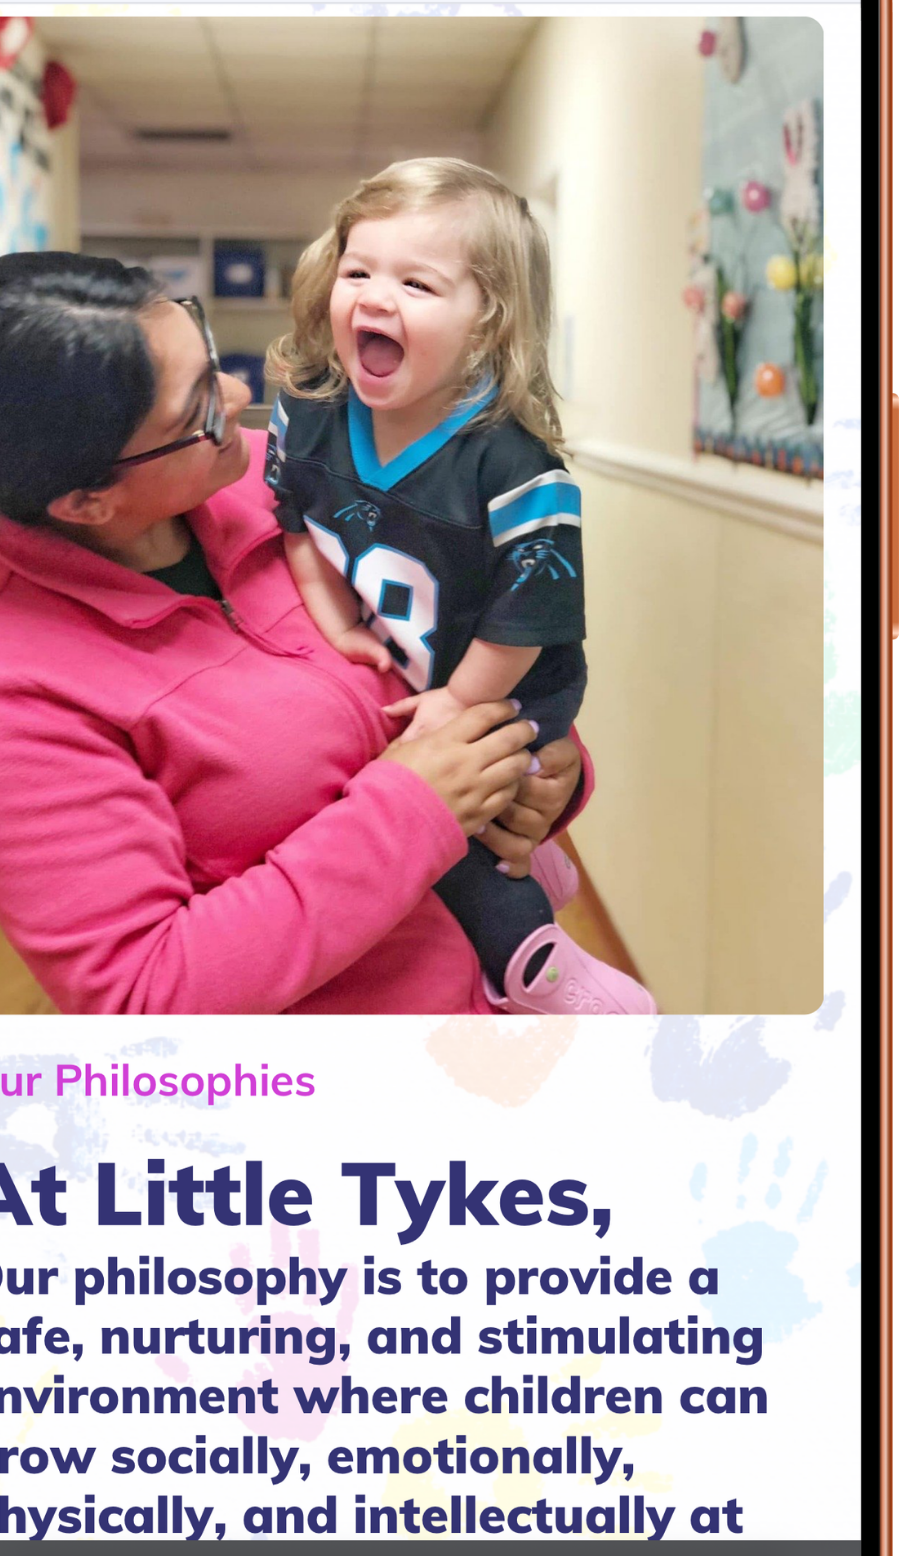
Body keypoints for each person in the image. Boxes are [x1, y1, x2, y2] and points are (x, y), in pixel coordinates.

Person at [0, 252, 593, 1017]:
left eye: (206, 350)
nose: (237, 395)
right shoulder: (0, 694)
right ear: (84, 500)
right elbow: (143, 994)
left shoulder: (295, 477)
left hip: (497, 1004)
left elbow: (466, 627)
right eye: (196, 407)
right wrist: (417, 808)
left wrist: (535, 759)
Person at [266, 158, 654, 1014]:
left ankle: (542, 968)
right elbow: (296, 528)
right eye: (357, 270)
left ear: (488, 323)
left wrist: (458, 709)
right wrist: (337, 625)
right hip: (410, 654)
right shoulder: (310, 410)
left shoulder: (515, 468)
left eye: (417, 283)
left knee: (451, 837)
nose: (373, 297)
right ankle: (527, 855)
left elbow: (529, 620)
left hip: (512, 677)